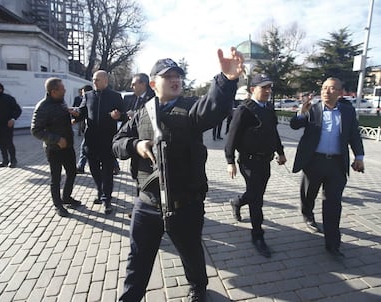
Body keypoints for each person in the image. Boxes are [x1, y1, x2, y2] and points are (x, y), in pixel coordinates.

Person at [113, 47, 244, 302]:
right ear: (153, 83)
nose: (175, 80)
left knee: (192, 253)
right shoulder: (141, 113)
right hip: (147, 204)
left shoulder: (191, 109)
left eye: (178, 76)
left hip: (185, 203)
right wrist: (135, 145)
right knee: (137, 258)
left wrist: (226, 81)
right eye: (168, 76)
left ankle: (198, 288)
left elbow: (214, 107)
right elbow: (117, 143)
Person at [290, 77, 364, 258]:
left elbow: (354, 135)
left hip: (337, 165)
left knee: (333, 204)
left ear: (340, 92)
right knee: (309, 194)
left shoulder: (347, 111)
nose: (326, 92)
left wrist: (359, 157)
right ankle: (307, 214)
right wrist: (301, 113)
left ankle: (333, 244)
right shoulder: (313, 109)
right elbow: (294, 125)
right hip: (313, 162)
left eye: (331, 89)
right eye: (324, 88)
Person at [225, 74, 287, 258]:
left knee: (255, 194)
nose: (267, 91)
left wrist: (281, 152)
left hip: (265, 161)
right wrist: (230, 161)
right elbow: (231, 137)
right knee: (256, 199)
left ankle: (236, 202)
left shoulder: (268, 109)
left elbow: (273, 133)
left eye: (269, 88)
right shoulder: (244, 110)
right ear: (253, 89)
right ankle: (257, 236)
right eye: (263, 88)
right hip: (248, 161)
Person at [31, 77, 82, 217]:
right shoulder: (42, 107)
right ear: (53, 91)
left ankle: (66, 197)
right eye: (62, 88)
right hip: (54, 149)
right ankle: (58, 205)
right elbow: (36, 131)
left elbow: (60, 120)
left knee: (72, 172)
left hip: (68, 146)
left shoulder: (60, 102)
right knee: (56, 178)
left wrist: (72, 116)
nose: (65, 90)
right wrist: (57, 139)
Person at [77, 70, 124, 214]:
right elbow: (82, 112)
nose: (94, 82)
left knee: (107, 172)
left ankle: (107, 199)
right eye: (93, 79)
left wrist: (118, 116)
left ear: (105, 81)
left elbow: (124, 115)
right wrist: (75, 114)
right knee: (94, 169)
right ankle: (100, 190)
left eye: (97, 79)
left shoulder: (115, 96)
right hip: (91, 140)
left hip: (108, 139)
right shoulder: (88, 95)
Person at [124, 73, 156, 196]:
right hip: (136, 143)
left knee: (148, 177)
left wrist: (136, 115)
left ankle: (146, 205)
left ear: (143, 84)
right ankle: (140, 204)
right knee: (136, 173)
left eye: (134, 84)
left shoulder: (153, 98)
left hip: (148, 144)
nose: (132, 86)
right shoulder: (133, 98)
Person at [74, 84, 93, 174]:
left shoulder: (90, 99)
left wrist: (76, 118)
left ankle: (81, 166)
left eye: (83, 92)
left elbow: (83, 113)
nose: (82, 94)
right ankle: (115, 166)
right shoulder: (89, 99)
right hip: (89, 128)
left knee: (84, 148)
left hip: (91, 129)